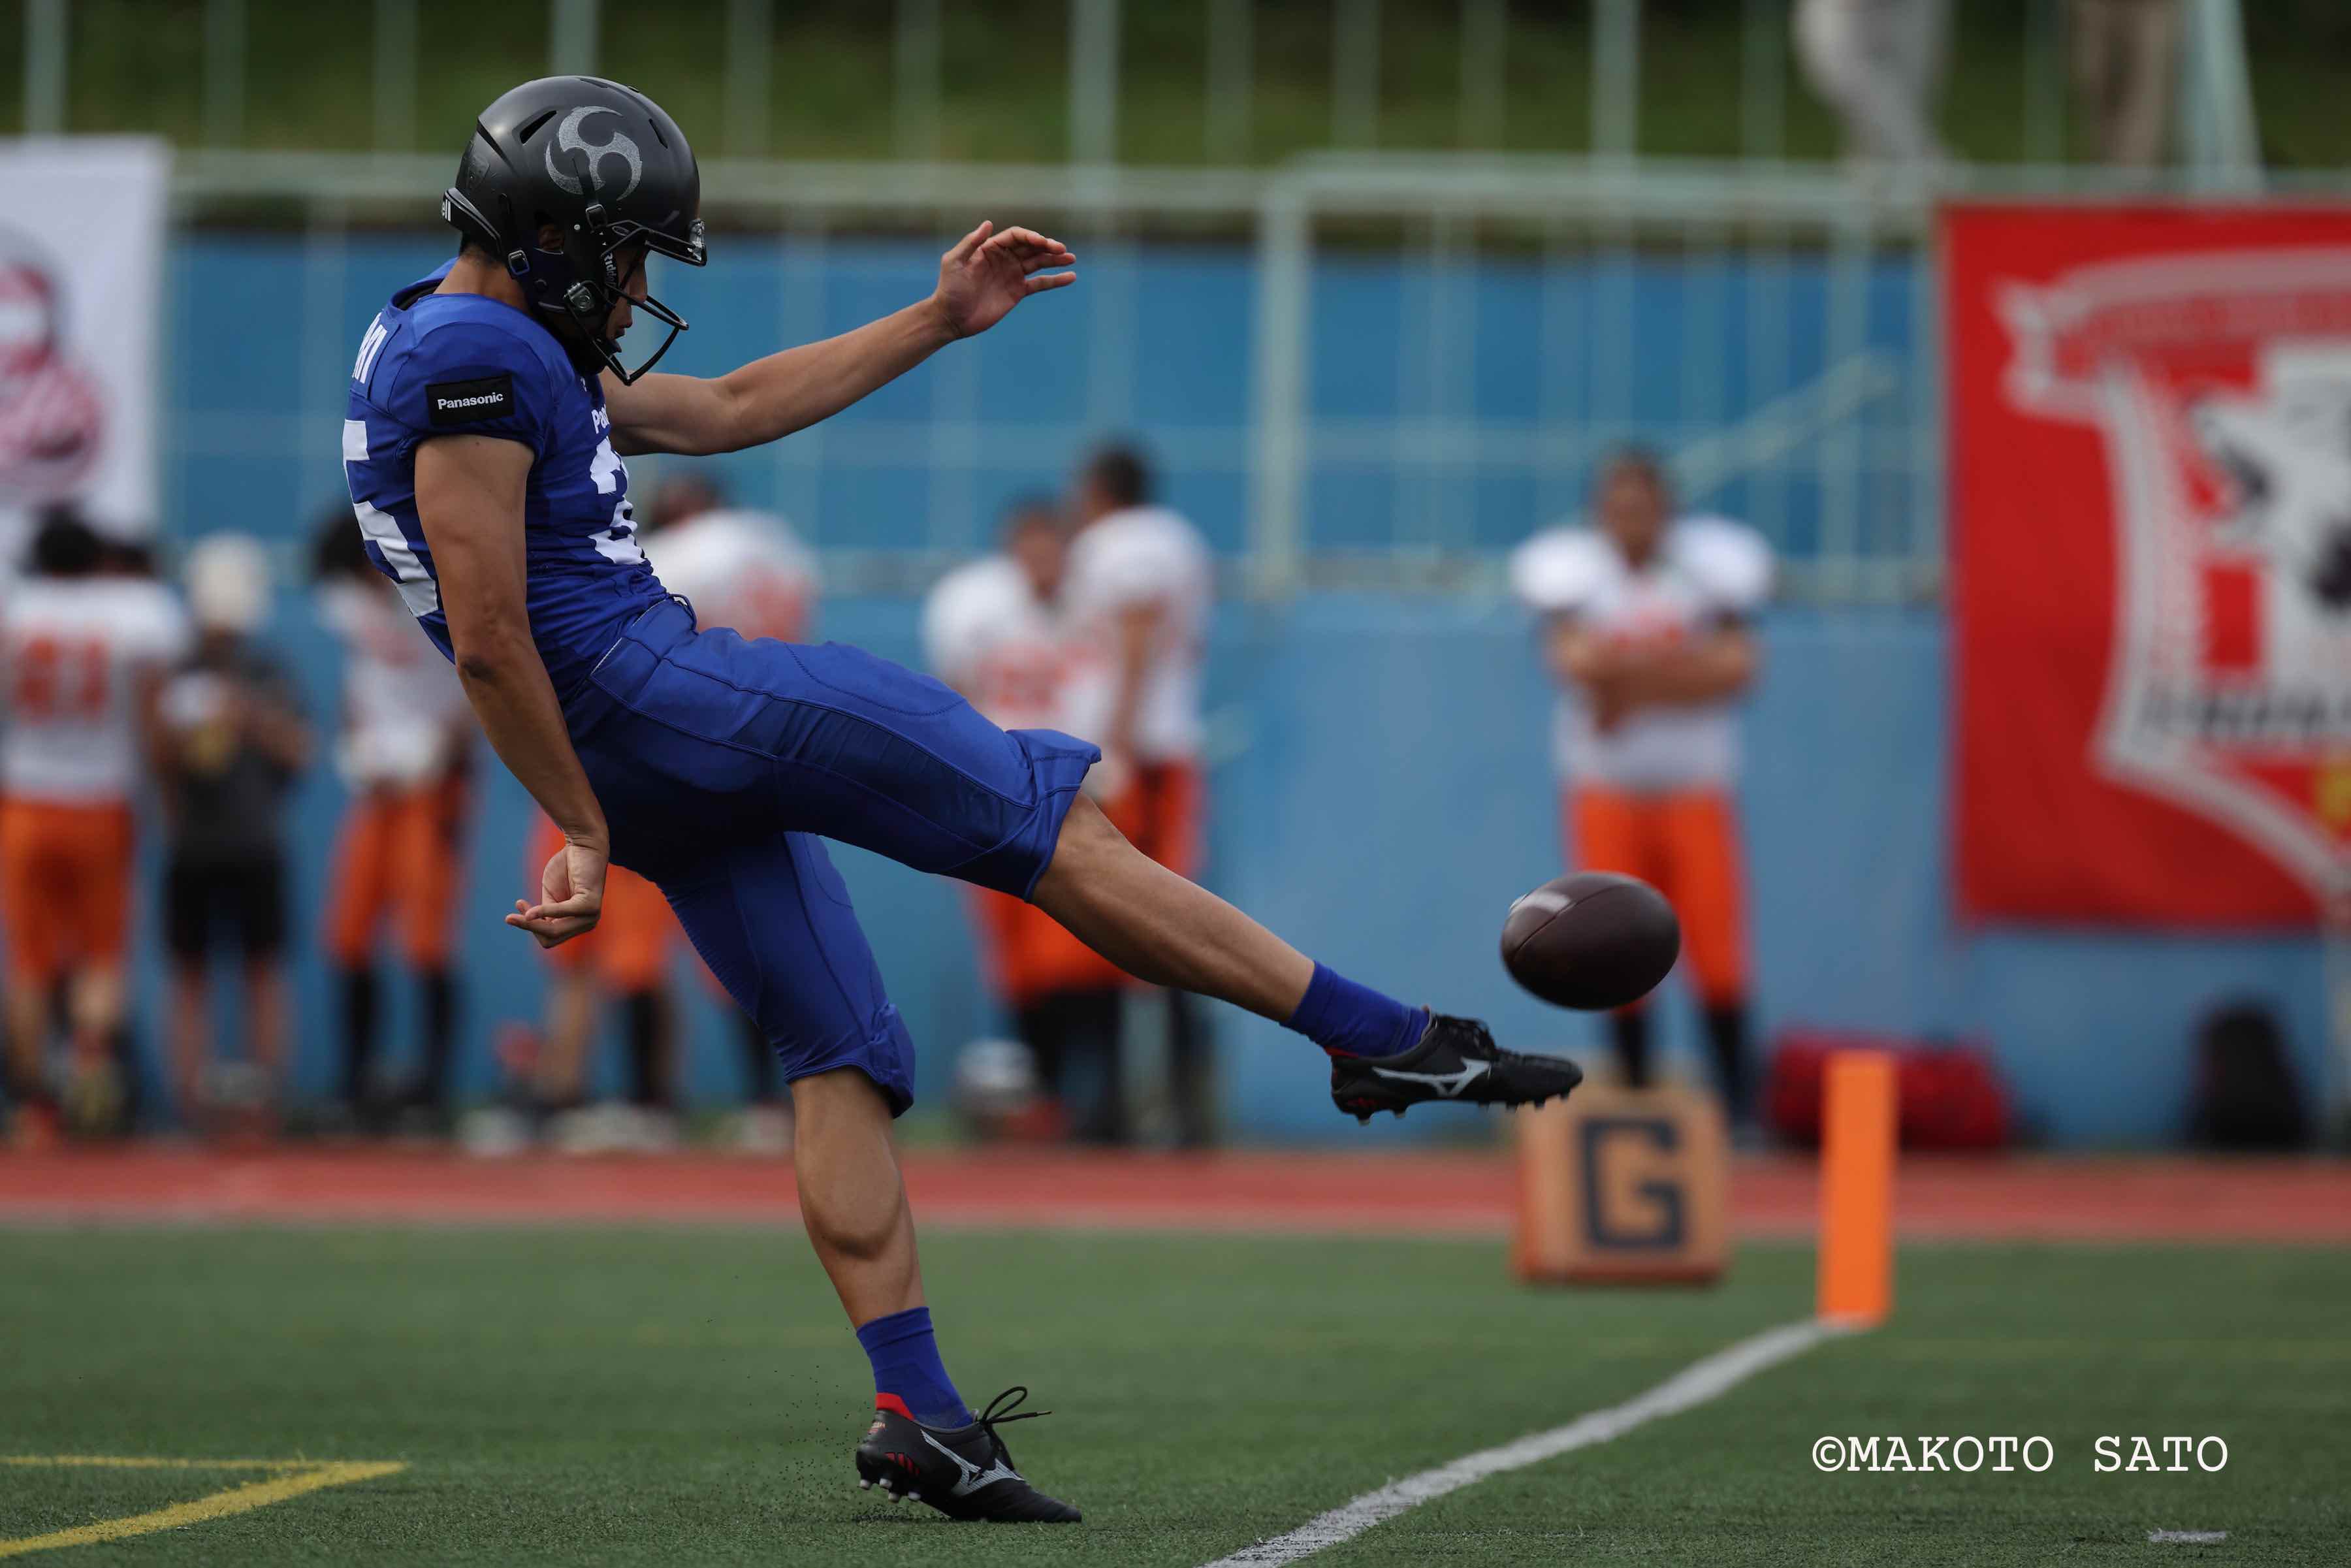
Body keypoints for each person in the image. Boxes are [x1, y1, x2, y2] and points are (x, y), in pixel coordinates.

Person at [342, 75, 1580, 1524]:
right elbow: (490, 635)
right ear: (550, 231)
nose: (629, 290)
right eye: (620, 256)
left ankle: (922, 1413)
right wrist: (587, 825)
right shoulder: (479, 356)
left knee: (840, 1052)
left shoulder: (444, 326)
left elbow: (725, 405)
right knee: (1053, 819)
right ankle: (1381, 1040)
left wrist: (934, 319)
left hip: (632, 738)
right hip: (659, 700)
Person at [1510, 447, 1772, 1124]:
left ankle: (1738, 1110)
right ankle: (1635, 1103)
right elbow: (1571, 662)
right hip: (1606, 792)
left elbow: (1738, 668)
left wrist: (1624, 682)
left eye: (1642, 507)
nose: (1631, 521)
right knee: (1613, 950)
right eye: (1618, 508)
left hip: (1694, 791)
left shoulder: (1707, 573)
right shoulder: (1576, 576)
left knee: (1717, 950)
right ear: (1600, 514)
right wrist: (1677, 669)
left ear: (1666, 510)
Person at [925, 496, 1132, 1144]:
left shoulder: (1098, 610)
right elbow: (957, 691)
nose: (1042, 560)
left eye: (1052, 545)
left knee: (1094, 953)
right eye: (1030, 546)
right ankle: (1045, 1099)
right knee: (1020, 965)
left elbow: (1117, 689)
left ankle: (1103, 1101)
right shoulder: (978, 609)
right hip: (1004, 799)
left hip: (1082, 796)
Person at [0, 509, 190, 1145]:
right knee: (102, 957)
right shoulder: (136, 612)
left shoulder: (18, 609)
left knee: (29, 963)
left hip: (26, 796)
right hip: (102, 801)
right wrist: (166, 795)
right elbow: (154, 717)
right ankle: (88, 1062)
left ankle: (35, 1109)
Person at [643, 472, 821, 1151]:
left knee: (718, 934)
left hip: (705, 745)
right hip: (783, 744)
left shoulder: (691, 548)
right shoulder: (779, 544)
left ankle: (726, 1099)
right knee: (774, 929)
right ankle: (782, 1098)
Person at [1063, 444, 1219, 1146]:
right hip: (1161, 744)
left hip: (1145, 754)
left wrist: (1116, 740)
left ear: (1098, 489)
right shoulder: (1177, 538)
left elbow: (1136, 633)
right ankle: (1166, 1102)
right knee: (1156, 922)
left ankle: (1136, 1105)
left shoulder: (1121, 543)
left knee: (1137, 918)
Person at [153, 533, 312, 1138]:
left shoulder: (268, 670)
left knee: (263, 973)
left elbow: (300, 752)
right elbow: (157, 759)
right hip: (193, 843)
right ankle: (189, 1105)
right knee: (189, 975)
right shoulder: (174, 670)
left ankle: (266, 1104)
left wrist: (246, 717)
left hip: (255, 842)